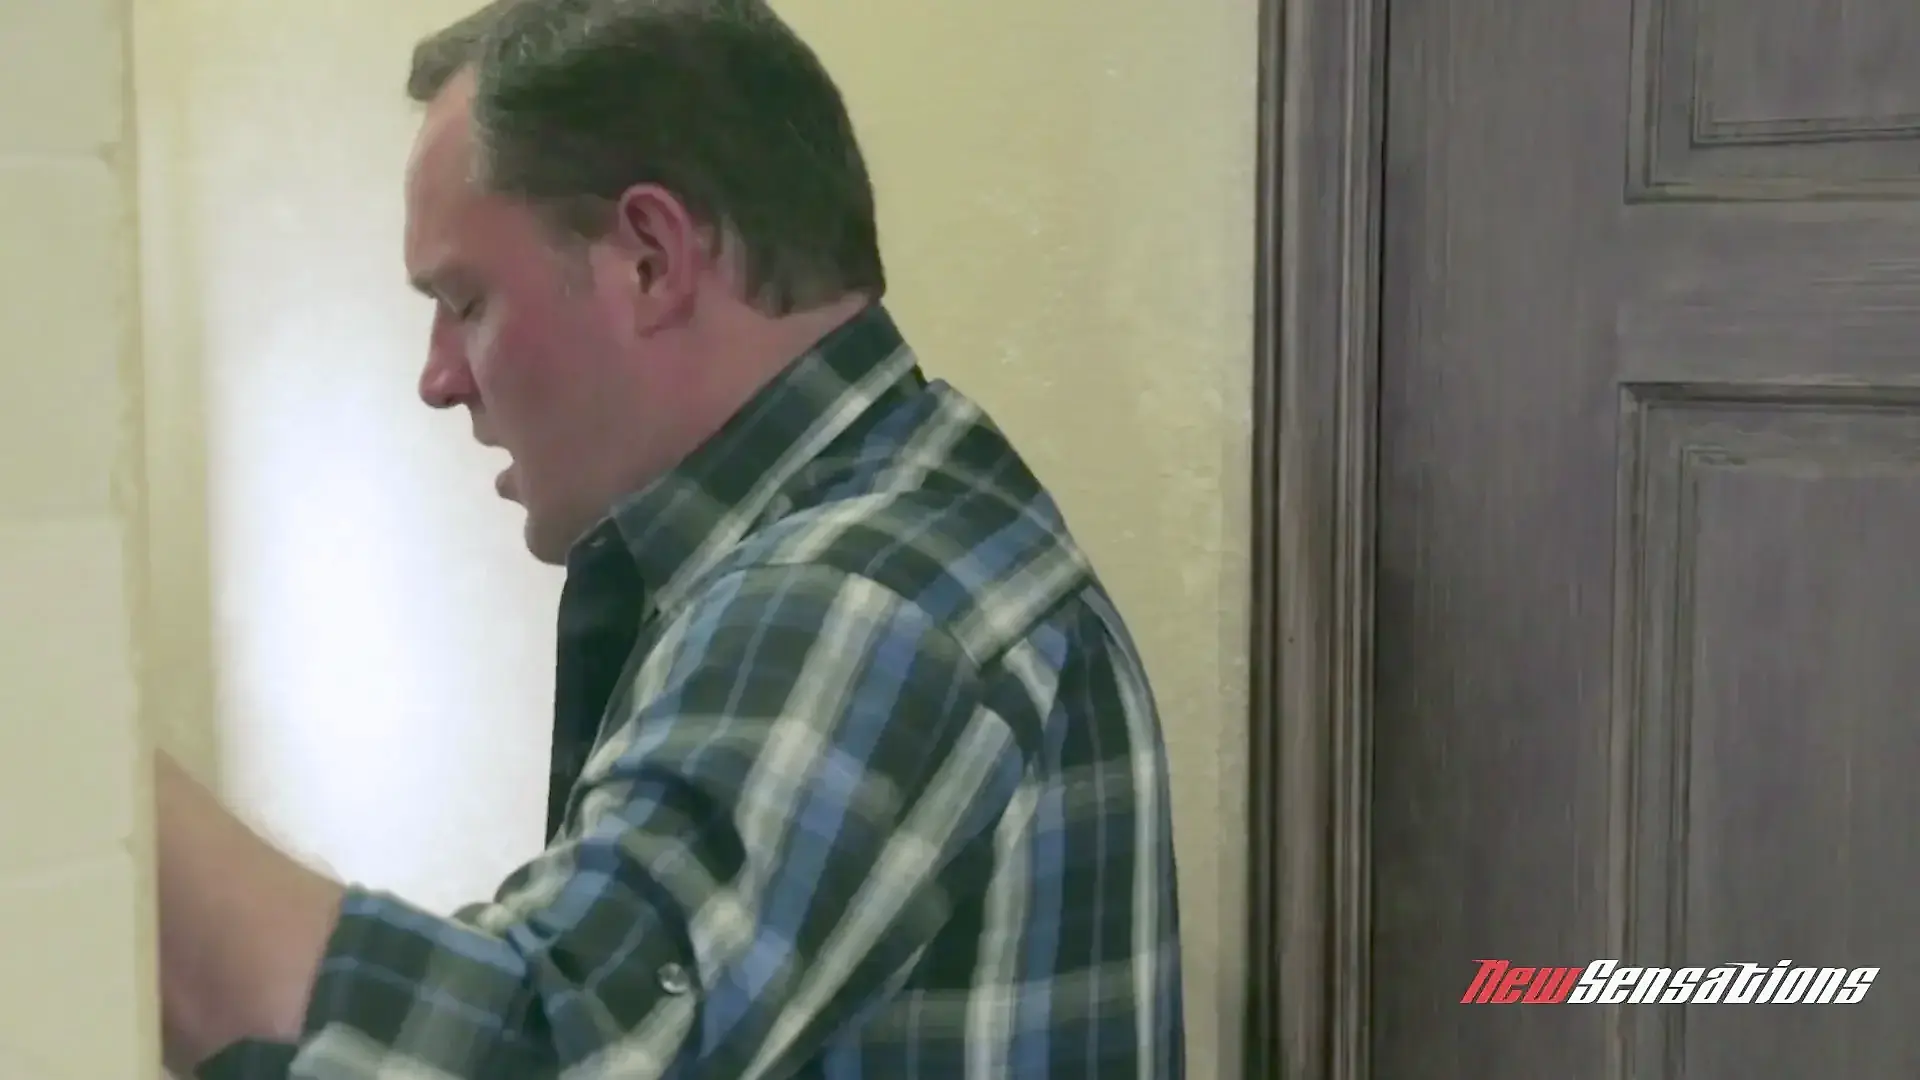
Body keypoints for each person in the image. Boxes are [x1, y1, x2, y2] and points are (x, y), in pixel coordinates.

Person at [153, 1, 1186, 1076]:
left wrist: (93, 770)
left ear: (651, 258)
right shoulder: (898, 532)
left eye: (466, 301)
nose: (438, 378)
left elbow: (544, 1052)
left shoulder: (856, 596)